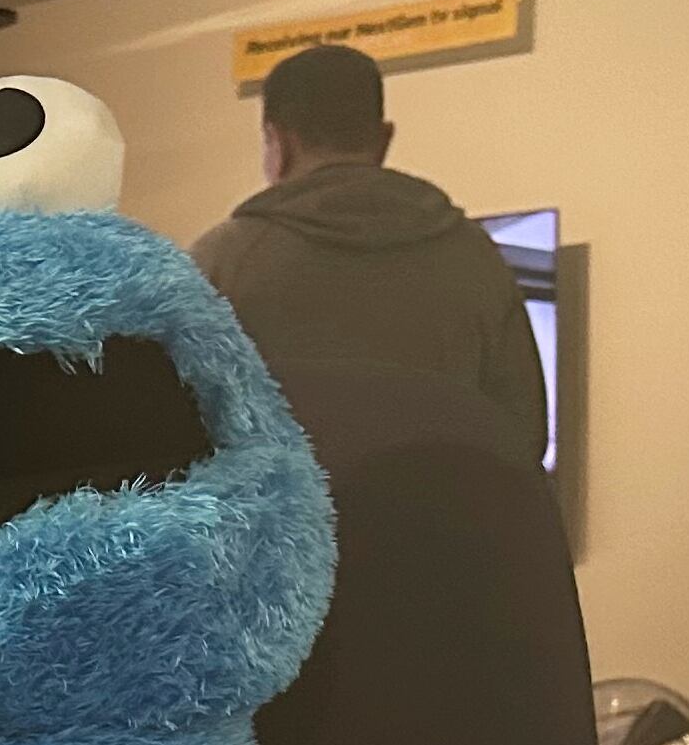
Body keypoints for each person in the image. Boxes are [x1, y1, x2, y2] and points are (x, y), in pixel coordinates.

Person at [191, 43, 549, 468]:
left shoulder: (221, 264)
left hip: (279, 531)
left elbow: (171, 442)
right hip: (441, 527)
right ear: (383, 139)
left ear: (278, 143)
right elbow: (524, 437)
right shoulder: (476, 260)